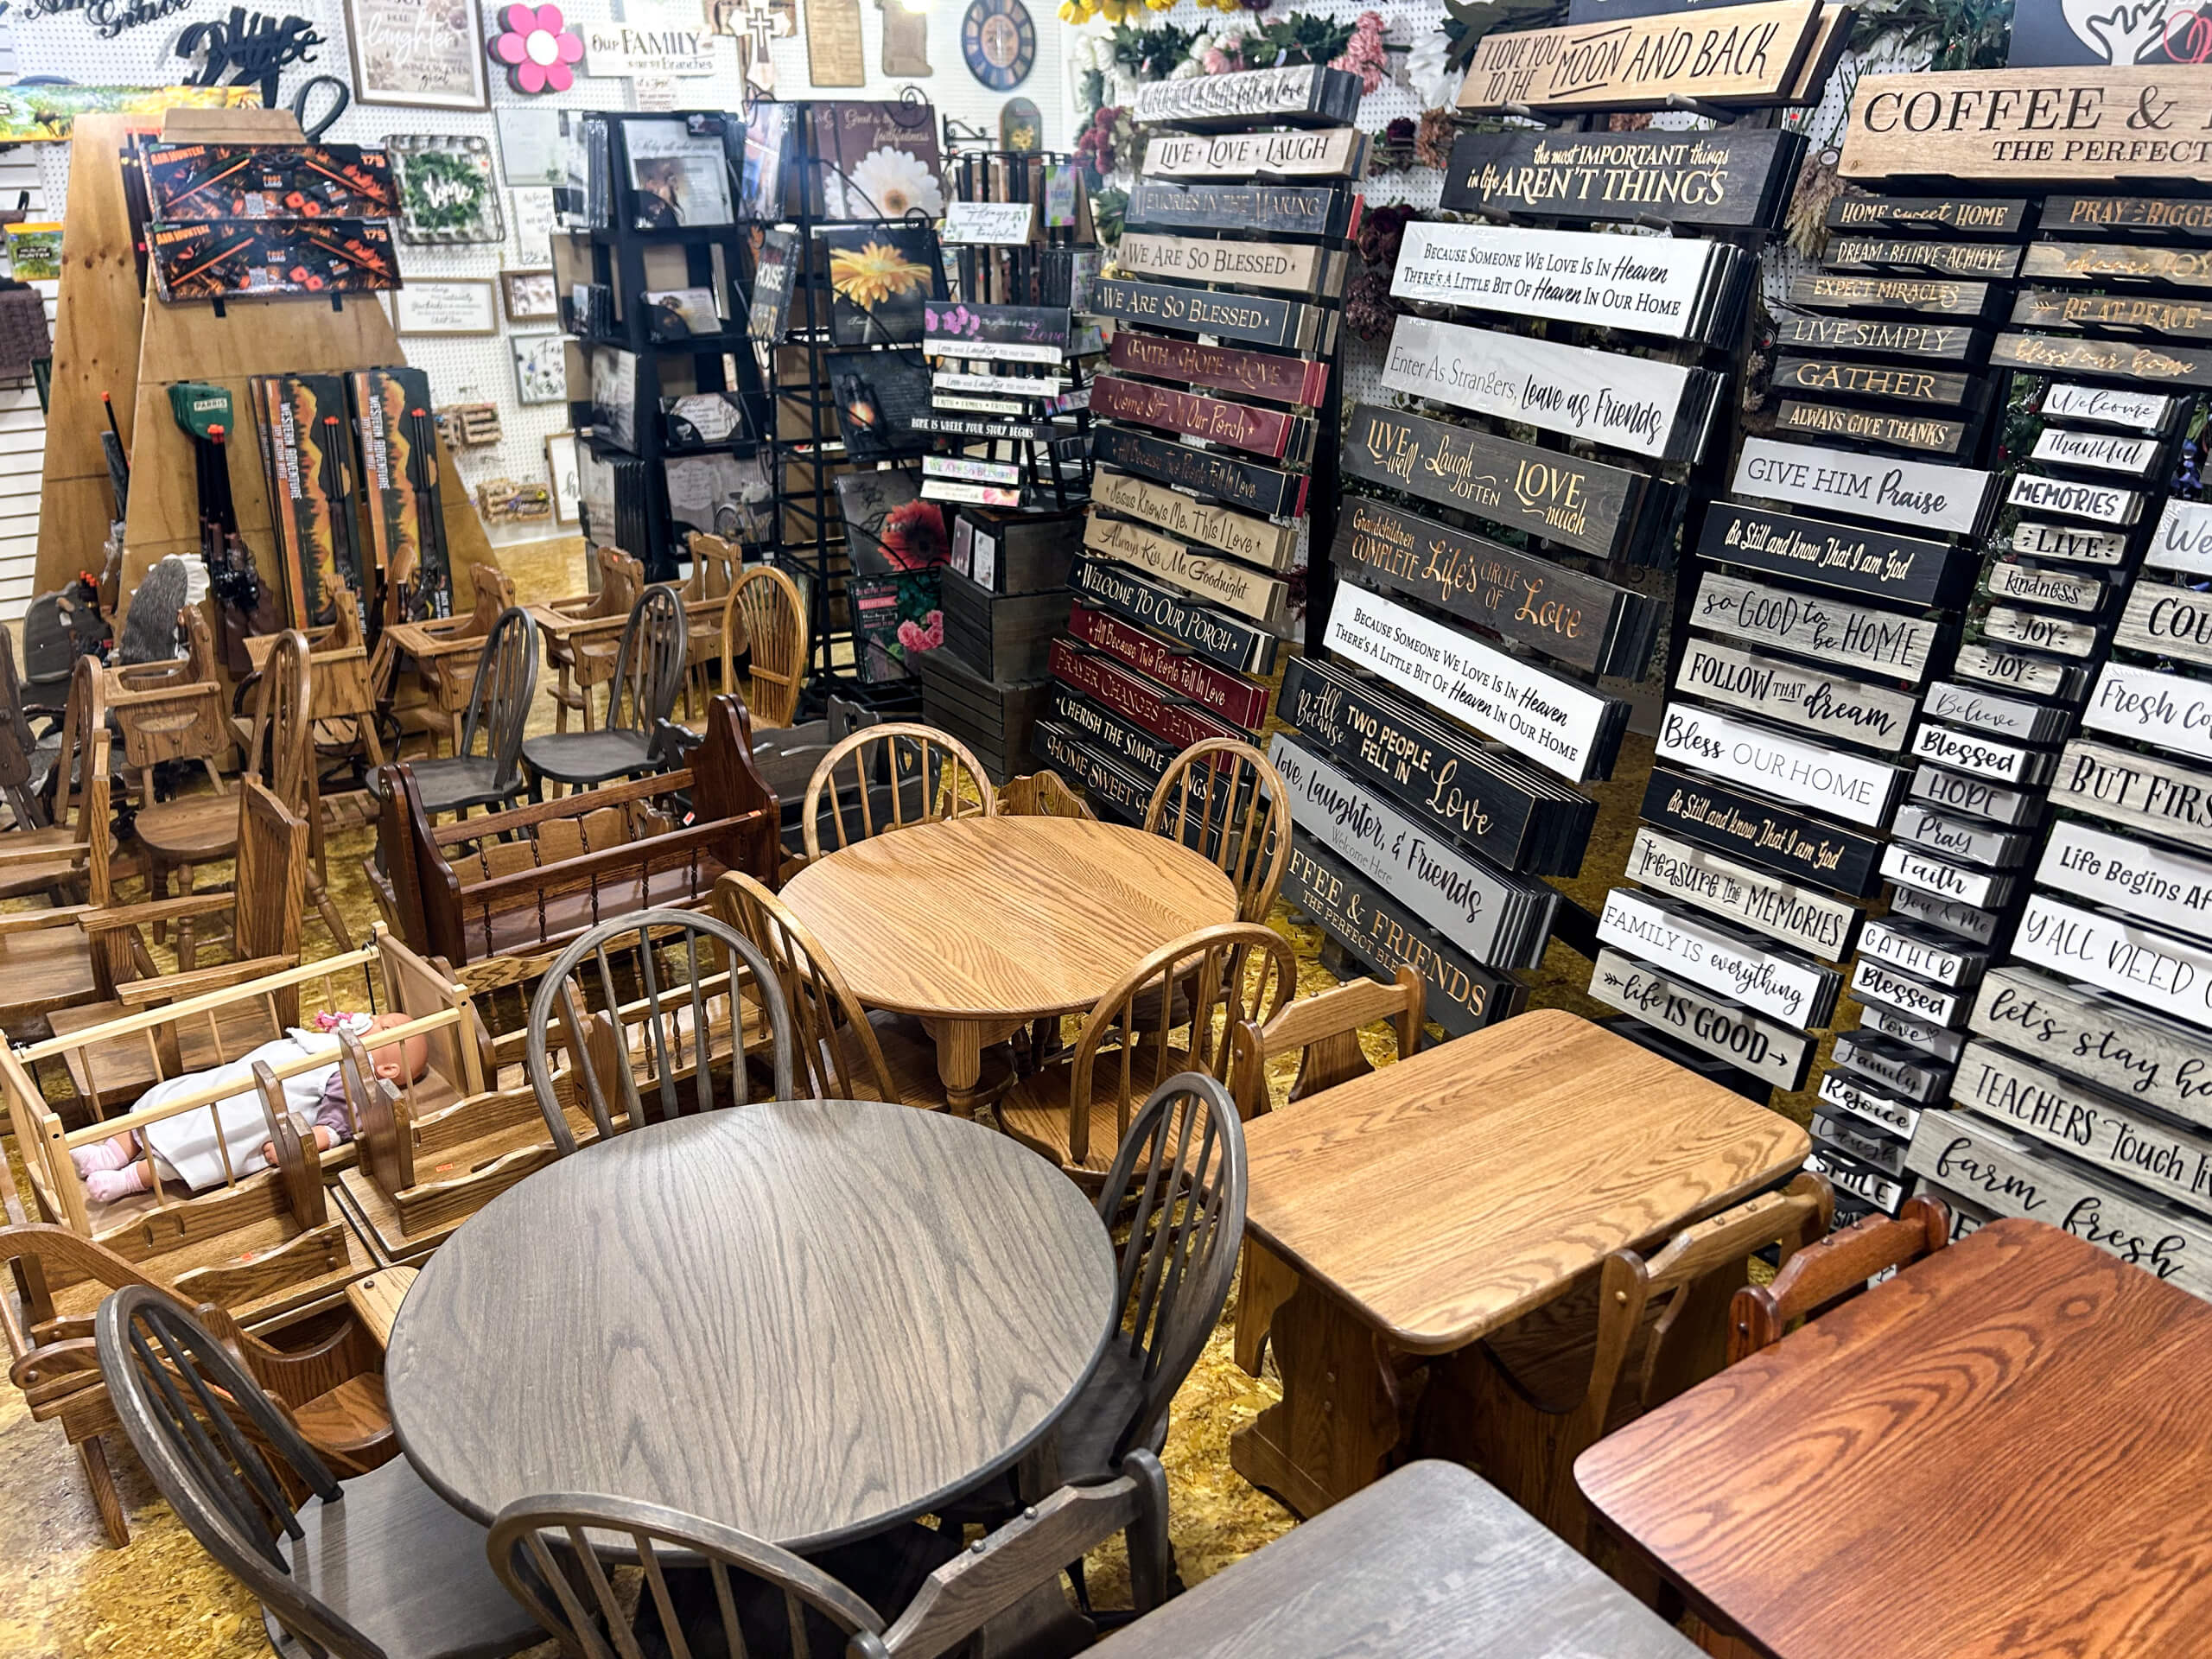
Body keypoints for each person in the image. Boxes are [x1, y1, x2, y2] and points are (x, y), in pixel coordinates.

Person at [69, 1012, 430, 1205]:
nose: (372, 1018)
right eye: (380, 1014)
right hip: (231, 1081)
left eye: (383, 1025)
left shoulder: (348, 1070)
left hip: (247, 1113)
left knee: (199, 1144)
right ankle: (109, 1153)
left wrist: (305, 1143)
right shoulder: (329, 1043)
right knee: (170, 1102)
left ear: (388, 1070)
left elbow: (338, 1121)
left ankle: (127, 1180)